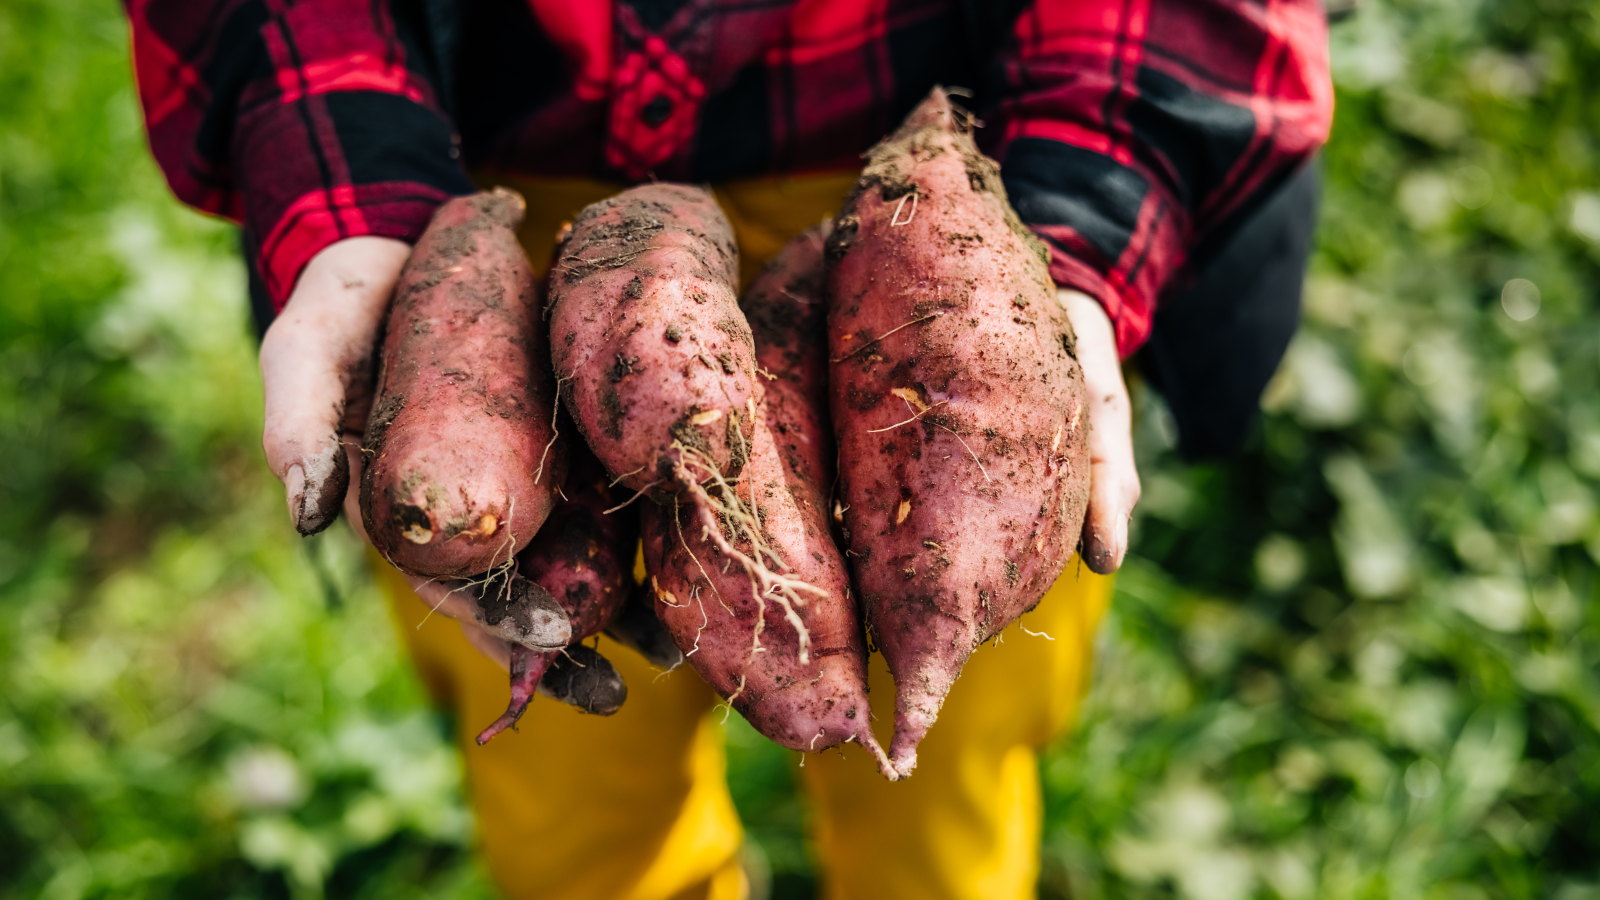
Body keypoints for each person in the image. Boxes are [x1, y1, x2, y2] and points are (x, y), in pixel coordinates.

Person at [126, 2, 1332, 897]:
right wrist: (348, 199)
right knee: (552, 702)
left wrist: (1081, 230)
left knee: (956, 698)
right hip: (486, 201)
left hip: (952, 209)